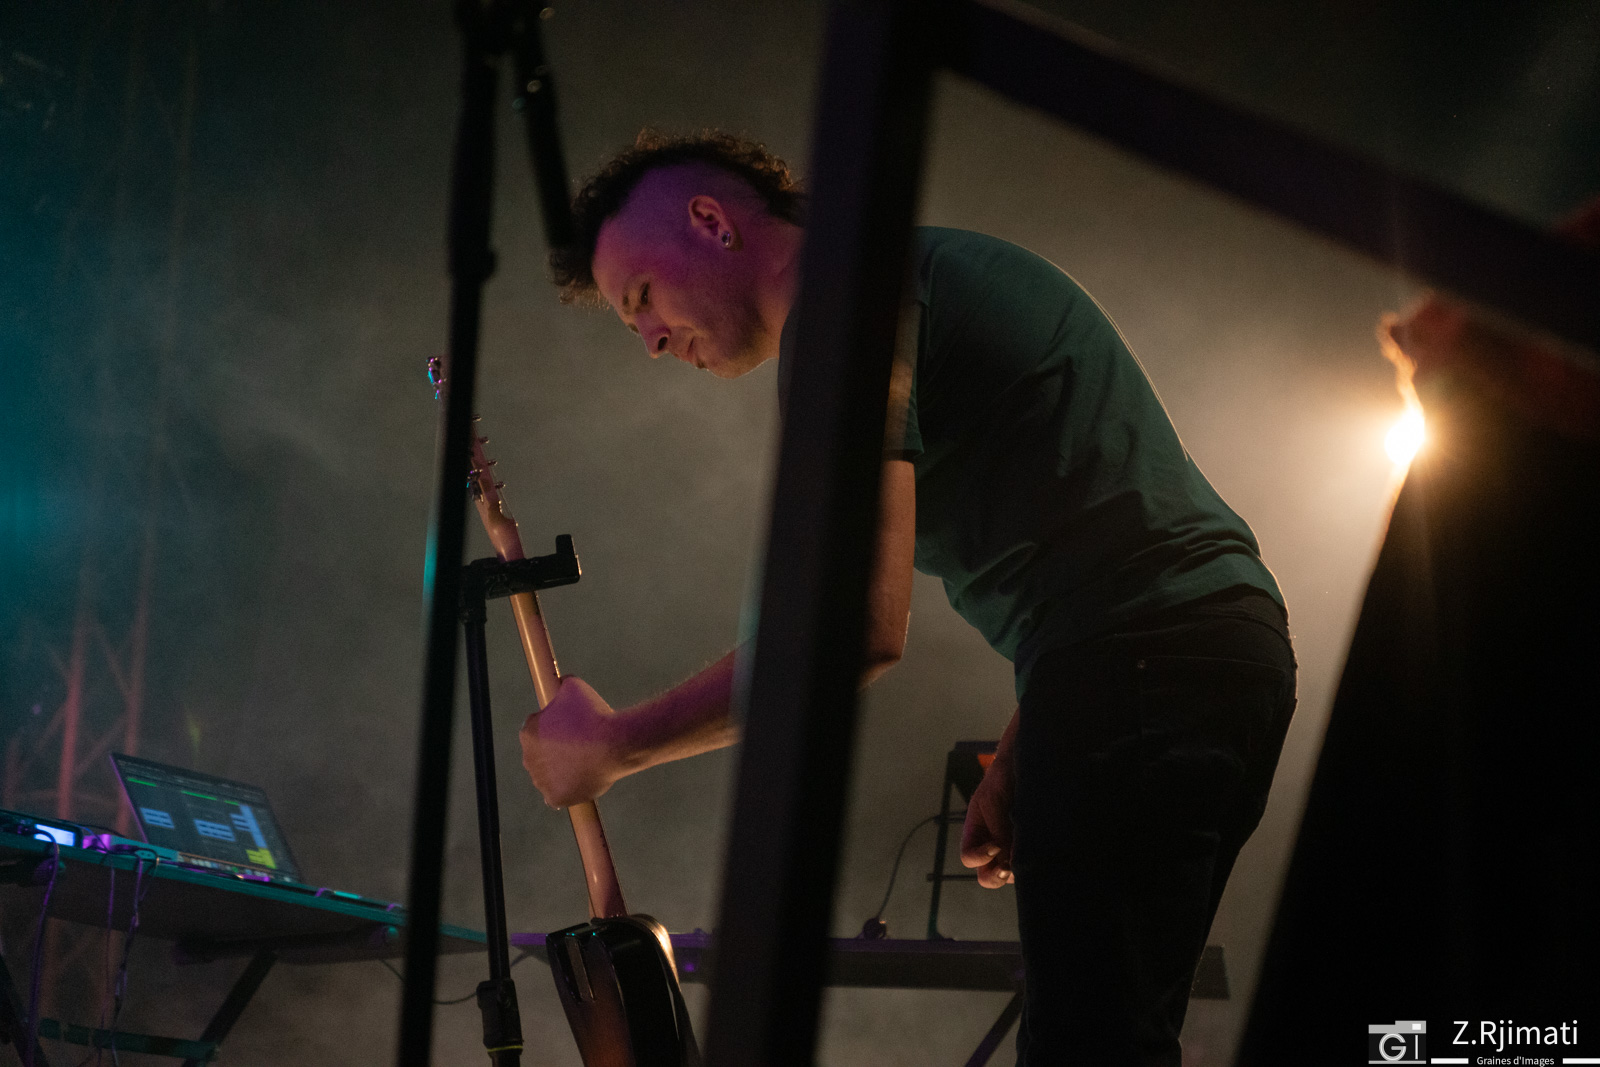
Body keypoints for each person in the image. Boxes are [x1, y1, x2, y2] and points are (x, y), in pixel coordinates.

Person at [520, 130, 1297, 1066]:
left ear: (712, 221)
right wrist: (1037, 726)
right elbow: (1100, 515)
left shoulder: (844, 306)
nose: (649, 340)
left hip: (1144, 660)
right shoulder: (899, 276)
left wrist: (620, 744)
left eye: (641, 296)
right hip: (1198, 649)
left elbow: (855, 626)